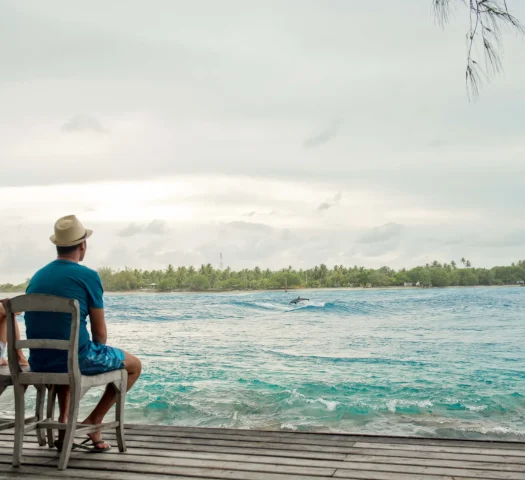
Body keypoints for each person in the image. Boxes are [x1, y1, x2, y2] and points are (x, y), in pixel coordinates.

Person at [24, 215, 142, 452]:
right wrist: (99, 353)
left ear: (57, 245)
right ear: (83, 245)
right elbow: (100, 334)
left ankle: (64, 422)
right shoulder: (88, 276)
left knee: (67, 354)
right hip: (73, 359)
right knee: (134, 365)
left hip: (39, 361)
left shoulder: (37, 277)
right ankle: (94, 422)